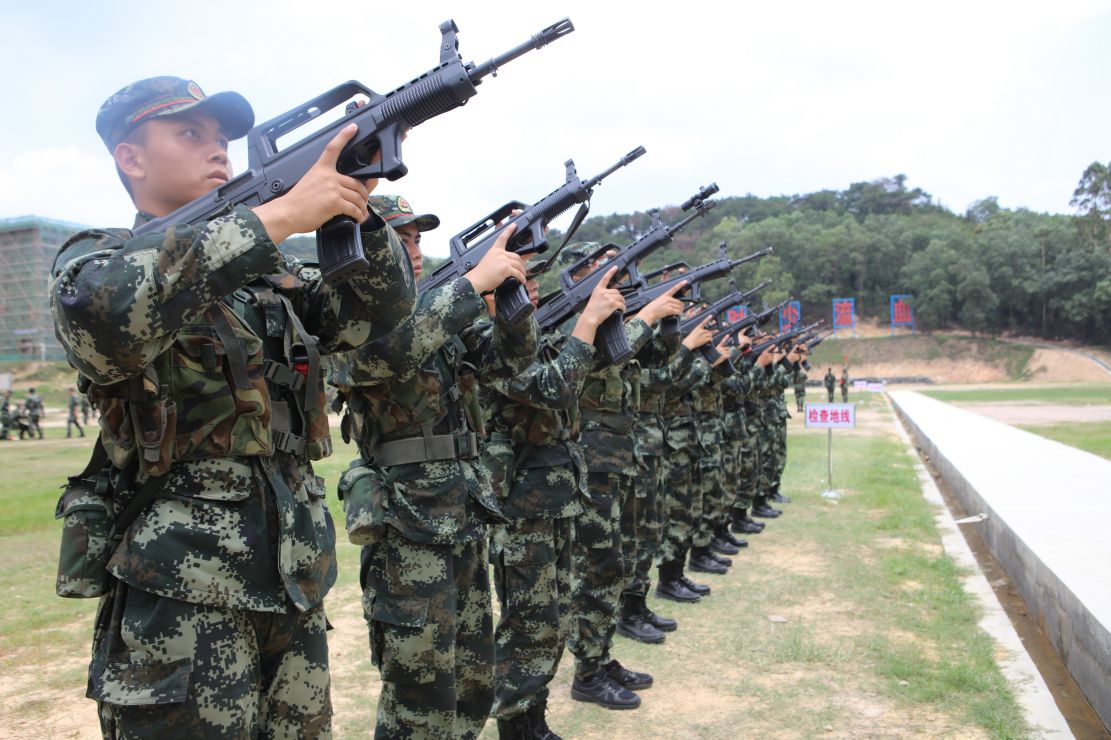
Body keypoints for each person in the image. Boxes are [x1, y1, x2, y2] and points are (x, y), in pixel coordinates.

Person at [50, 76, 416, 738]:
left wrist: (357, 208)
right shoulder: (99, 258)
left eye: (220, 136)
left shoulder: (267, 279)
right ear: (131, 157)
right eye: (190, 133)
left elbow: (374, 316)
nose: (216, 148)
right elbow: (102, 322)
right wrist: (278, 216)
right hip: (181, 589)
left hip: (293, 581)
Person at [330, 194, 537, 738]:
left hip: (463, 515)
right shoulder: (349, 315)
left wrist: (512, 305)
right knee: (418, 689)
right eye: (400, 239)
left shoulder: (439, 311)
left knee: (473, 680)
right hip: (408, 523)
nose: (415, 250)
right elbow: (381, 357)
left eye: (418, 239)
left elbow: (509, 366)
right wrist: (470, 286)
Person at [482, 259, 625, 739]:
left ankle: (533, 721)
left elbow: (586, 372)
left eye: (534, 281)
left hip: (554, 498)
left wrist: (601, 323)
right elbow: (554, 389)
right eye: (519, 284)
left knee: (553, 618)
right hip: (520, 504)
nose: (533, 290)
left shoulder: (532, 340)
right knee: (528, 621)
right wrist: (587, 322)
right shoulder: (491, 343)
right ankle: (515, 726)